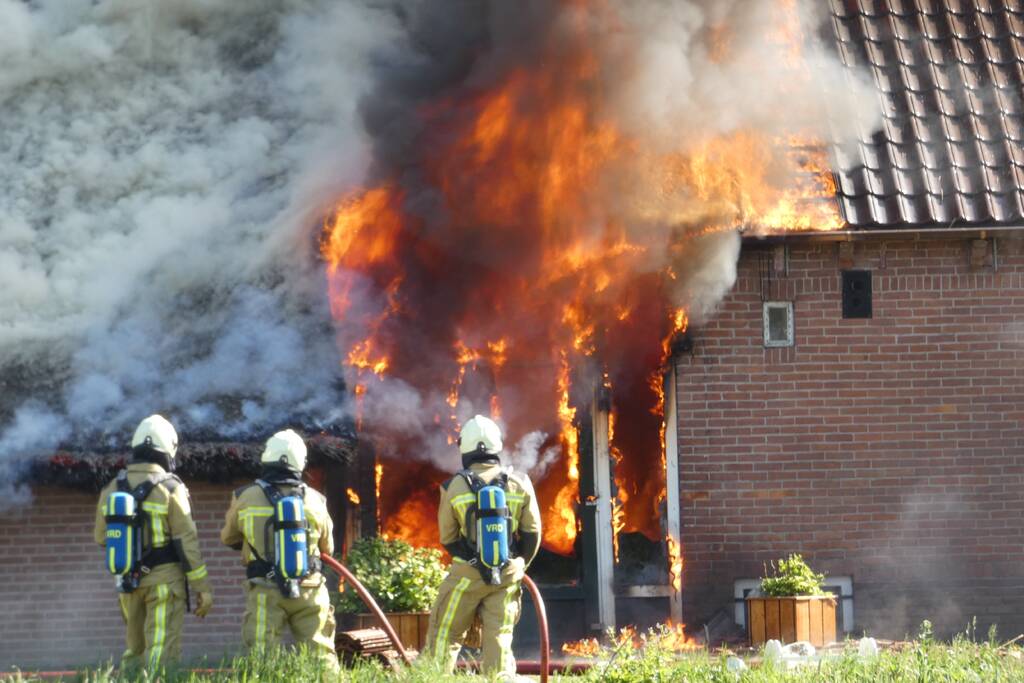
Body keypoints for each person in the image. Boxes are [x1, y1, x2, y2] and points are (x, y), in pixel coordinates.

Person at [424, 415, 542, 679]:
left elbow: (448, 538)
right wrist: (518, 565)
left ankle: (434, 677)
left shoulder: (452, 487)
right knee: (500, 636)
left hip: (465, 577)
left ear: (464, 448)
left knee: (445, 633)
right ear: (497, 446)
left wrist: (473, 563)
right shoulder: (520, 482)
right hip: (507, 575)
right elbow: (532, 533)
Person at [94, 414, 213, 671]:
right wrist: (202, 587)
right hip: (164, 583)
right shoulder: (170, 488)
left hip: (127, 584)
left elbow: (101, 537)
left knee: (134, 651)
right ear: (168, 449)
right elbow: (186, 541)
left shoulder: (112, 487)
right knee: (161, 651)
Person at [220, 429, 339, 674]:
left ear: (267, 458)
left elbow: (228, 537)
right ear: (300, 462)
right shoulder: (316, 500)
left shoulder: (245, 496)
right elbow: (328, 548)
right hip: (310, 590)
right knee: (321, 656)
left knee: (263, 658)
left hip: (265, 589)